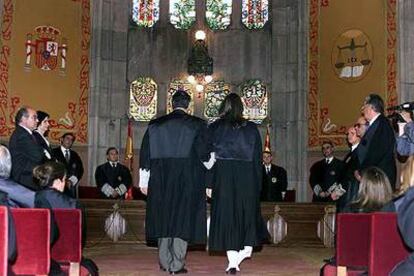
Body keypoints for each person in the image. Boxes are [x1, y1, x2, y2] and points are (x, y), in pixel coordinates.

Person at [139, 90, 209, 274]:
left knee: (163, 217)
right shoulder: (197, 124)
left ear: (172, 103)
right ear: (188, 105)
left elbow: (145, 154)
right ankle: (177, 265)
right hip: (187, 179)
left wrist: (143, 181)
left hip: (160, 179)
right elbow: (205, 156)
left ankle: (164, 261)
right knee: (182, 219)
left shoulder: (155, 125)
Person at [206, 93, 267, 274]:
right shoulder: (251, 128)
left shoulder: (215, 127)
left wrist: (208, 183)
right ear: (241, 107)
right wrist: (258, 184)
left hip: (223, 176)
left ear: (223, 107)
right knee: (246, 217)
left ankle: (233, 261)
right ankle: (242, 255)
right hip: (247, 177)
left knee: (227, 219)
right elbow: (258, 160)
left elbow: (209, 158)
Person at [33, 161, 98, 276]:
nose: (65, 183)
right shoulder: (75, 205)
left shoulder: (32, 199)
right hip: (69, 259)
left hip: (39, 257)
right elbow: (80, 240)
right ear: (57, 181)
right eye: (64, 180)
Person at [357, 94, 396, 189]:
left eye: (364, 106)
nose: (362, 109)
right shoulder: (376, 124)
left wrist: (363, 171)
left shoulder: (382, 124)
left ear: (371, 107)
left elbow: (377, 152)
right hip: (374, 176)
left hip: (379, 179)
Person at [8, 107, 44, 190]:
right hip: (25, 181)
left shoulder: (24, 133)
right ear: (24, 119)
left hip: (26, 180)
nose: (37, 120)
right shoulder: (23, 135)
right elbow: (38, 156)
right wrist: (42, 150)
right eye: (34, 117)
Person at [332, 127, 361, 212]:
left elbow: (350, 175)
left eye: (352, 133)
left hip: (352, 192)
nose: (349, 136)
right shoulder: (351, 153)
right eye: (348, 134)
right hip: (347, 192)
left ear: (359, 135)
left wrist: (339, 190)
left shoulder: (359, 152)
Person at [52, 133, 84, 198]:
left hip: (71, 187)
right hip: (57, 185)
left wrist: (72, 180)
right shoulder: (53, 152)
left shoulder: (75, 155)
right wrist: (63, 180)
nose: (69, 141)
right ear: (62, 139)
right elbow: (51, 168)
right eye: (67, 138)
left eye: (71, 140)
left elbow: (80, 170)